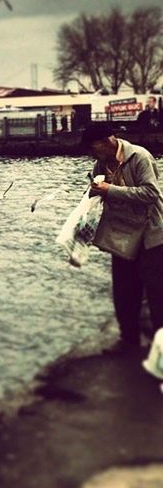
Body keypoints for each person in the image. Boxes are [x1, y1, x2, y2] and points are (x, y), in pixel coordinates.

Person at [82, 122, 163, 353]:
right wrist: (93, 192)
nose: (91, 152)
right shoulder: (101, 162)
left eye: (93, 147)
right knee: (124, 291)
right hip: (123, 236)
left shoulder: (139, 157)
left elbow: (151, 193)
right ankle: (129, 341)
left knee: (157, 295)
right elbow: (99, 193)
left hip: (151, 236)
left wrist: (110, 190)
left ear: (108, 141)